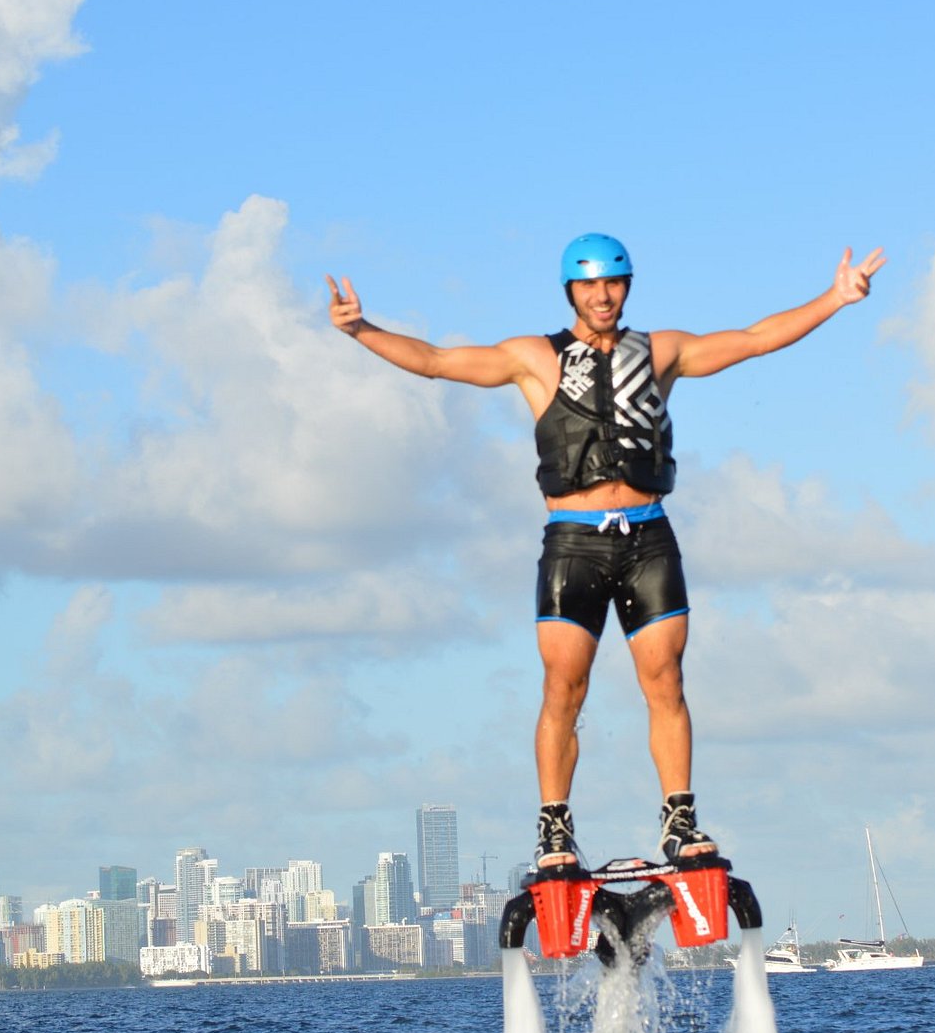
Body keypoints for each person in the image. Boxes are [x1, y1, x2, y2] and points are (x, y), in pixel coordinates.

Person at [326, 235, 884, 869]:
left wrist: (836, 298)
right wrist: (361, 330)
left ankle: (679, 819)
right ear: (570, 291)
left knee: (666, 680)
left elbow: (755, 339)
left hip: (649, 537)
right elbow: (433, 360)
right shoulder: (534, 358)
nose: (602, 296)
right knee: (564, 687)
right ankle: (555, 828)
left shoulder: (662, 352)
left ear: (627, 287)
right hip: (574, 543)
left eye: (614, 284)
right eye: (589, 286)